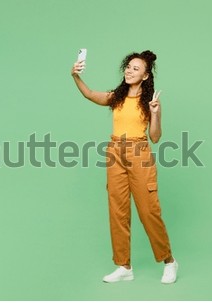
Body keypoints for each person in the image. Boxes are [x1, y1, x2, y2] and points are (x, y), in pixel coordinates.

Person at [71, 50, 178, 284]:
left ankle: (169, 261)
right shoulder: (116, 97)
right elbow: (89, 94)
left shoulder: (149, 102)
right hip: (115, 153)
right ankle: (124, 266)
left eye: (136, 68)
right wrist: (76, 76)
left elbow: (156, 137)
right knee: (117, 211)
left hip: (139, 153)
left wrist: (156, 114)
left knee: (148, 211)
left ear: (146, 76)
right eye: (128, 66)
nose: (130, 70)